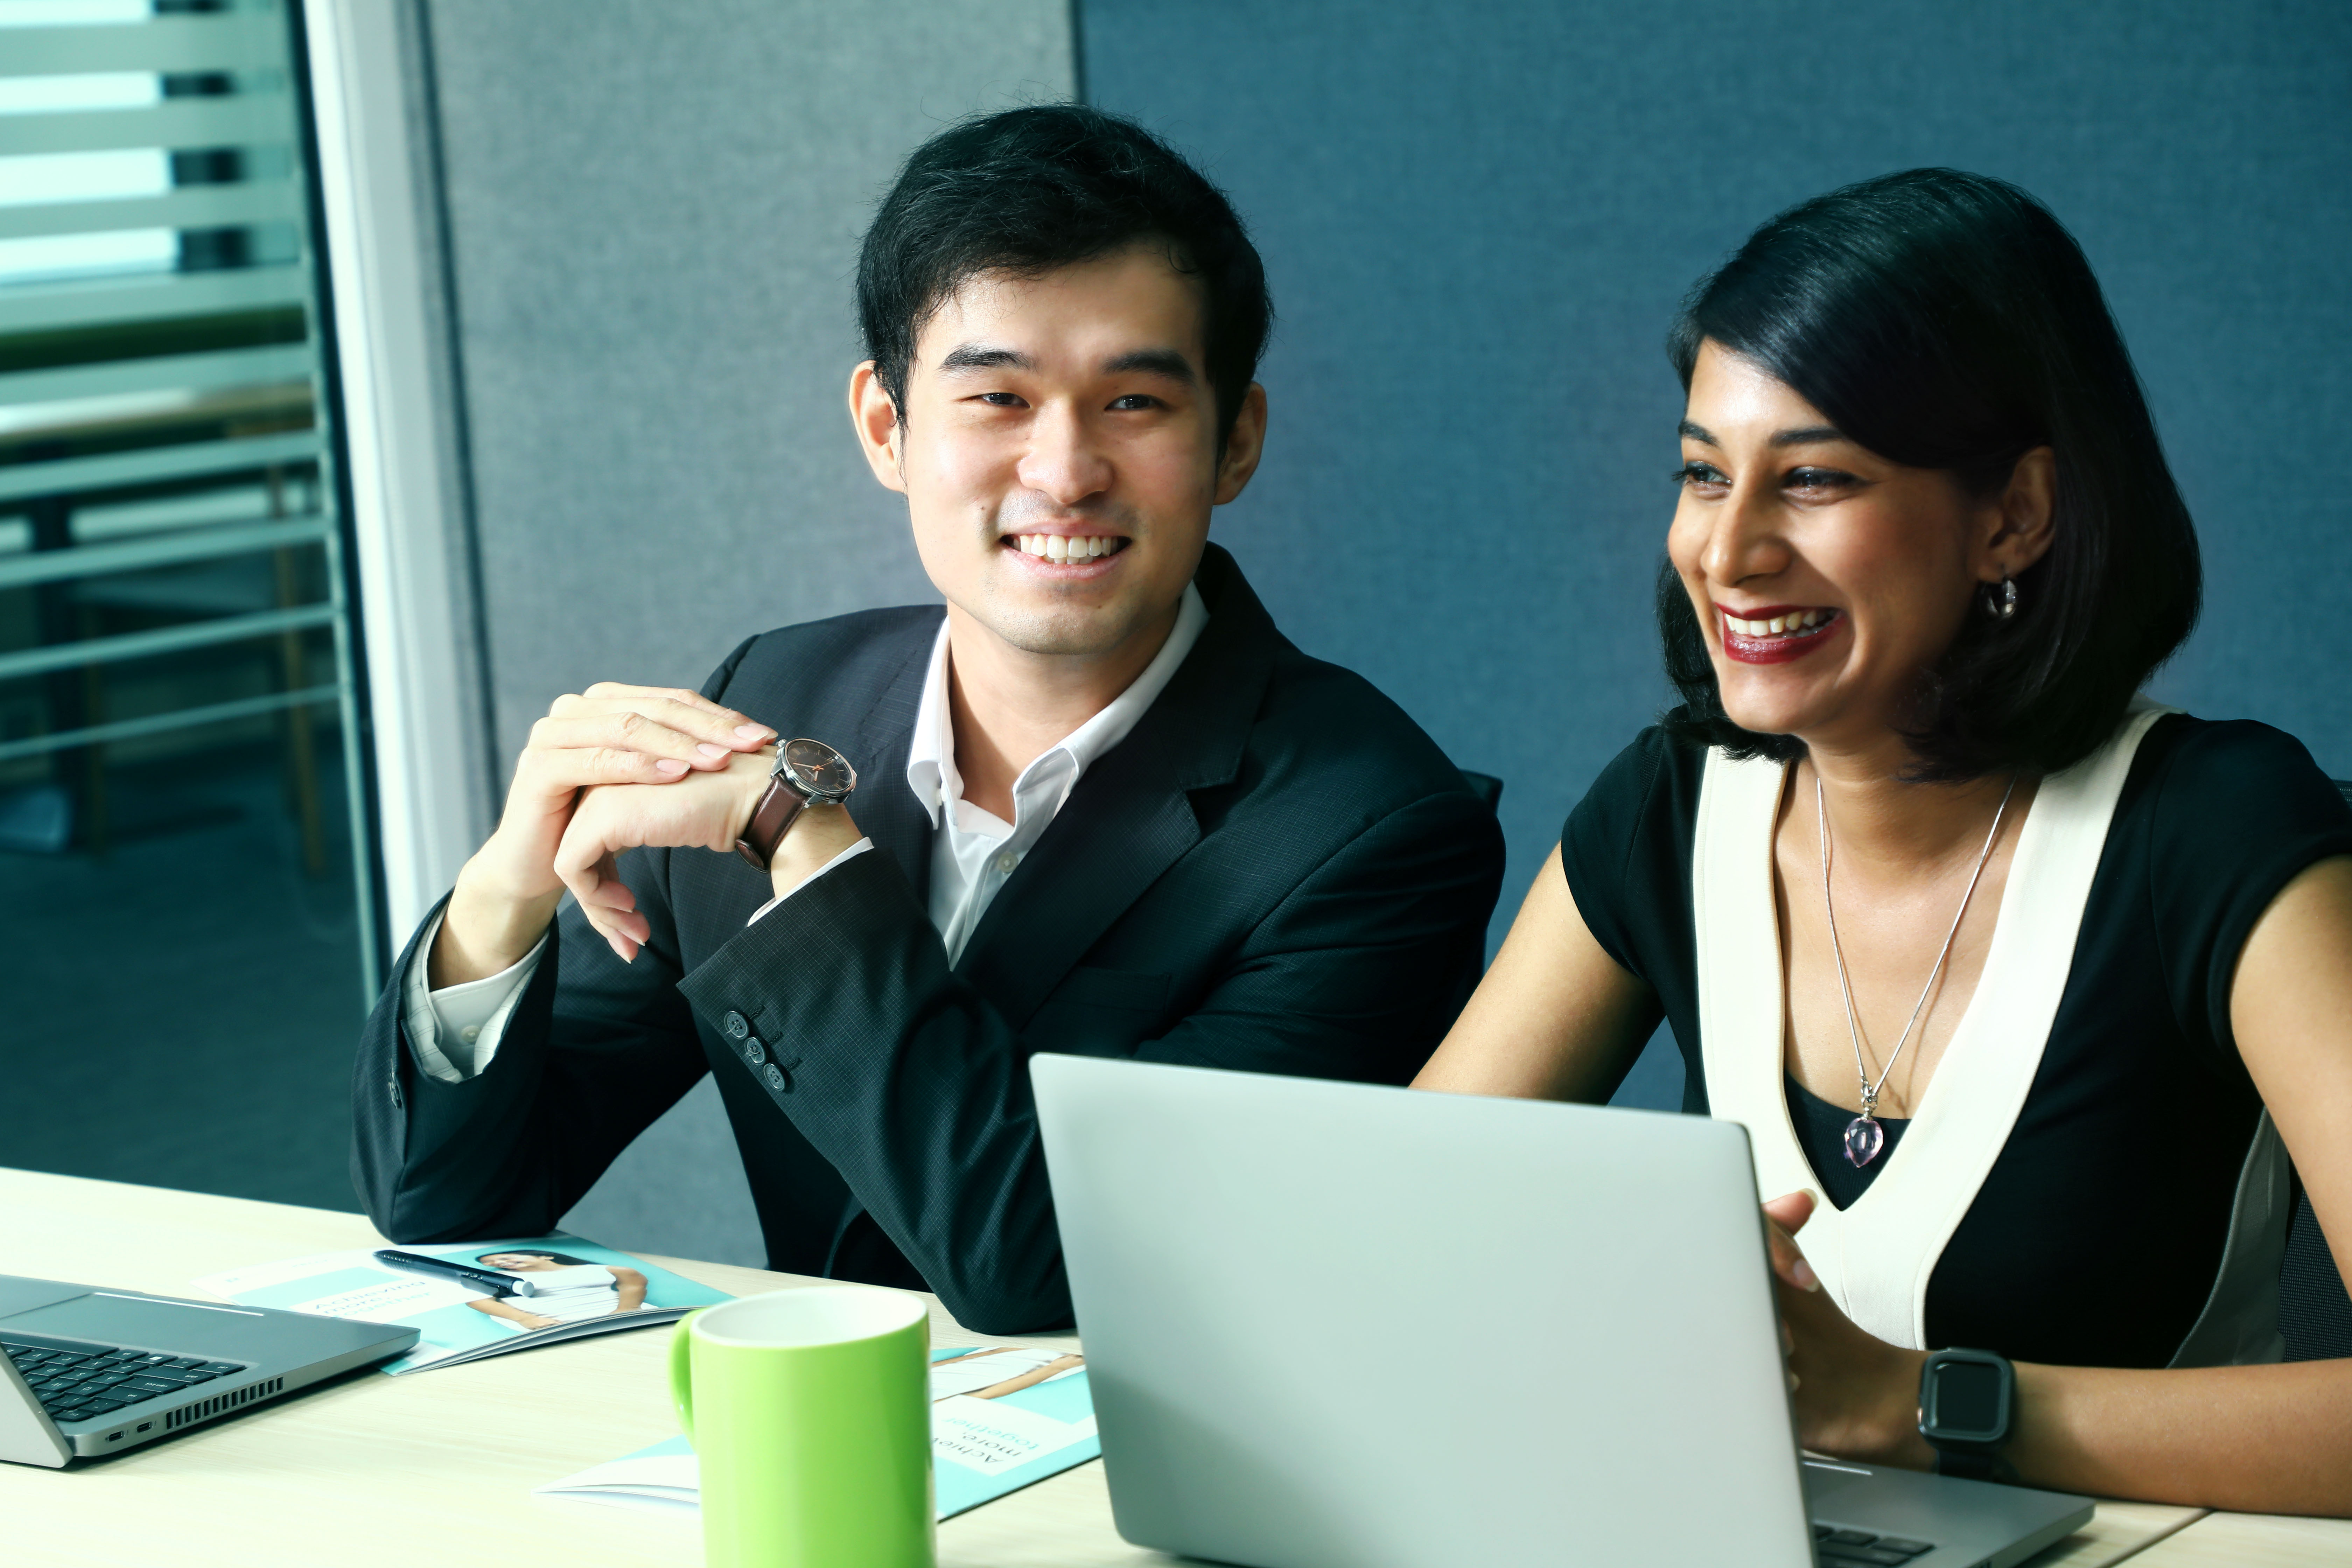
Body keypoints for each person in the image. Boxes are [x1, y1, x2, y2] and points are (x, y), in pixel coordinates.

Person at [351, 105, 1505, 1336]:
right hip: (827, 1459)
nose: (1063, 473)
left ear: (1238, 443)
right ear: (887, 428)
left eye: (1134, 405)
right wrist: (500, 894)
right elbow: (447, 1197)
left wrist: (801, 837)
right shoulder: (775, 695)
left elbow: (1044, 1263)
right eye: (998, 398)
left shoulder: (1376, 833)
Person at [1414, 169, 2352, 1515]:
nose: (1726, 551)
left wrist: (1918, 1405)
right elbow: (1398, 1226)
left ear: (2011, 516)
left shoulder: (2216, 834)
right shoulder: (1666, 806)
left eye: (1810, 480)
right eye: (1697, 473)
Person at [462, 1250, 650, 1333]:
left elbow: (633, 1280)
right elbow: (476, 1300)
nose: (498, 1263)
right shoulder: (498, 1279)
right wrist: (526, 1319)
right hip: (550, 1328)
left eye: (503, 1258)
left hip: (620, 1321)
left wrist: (626, 1310)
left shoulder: (592, 1270)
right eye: (491, 1264)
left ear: (546, 1255)